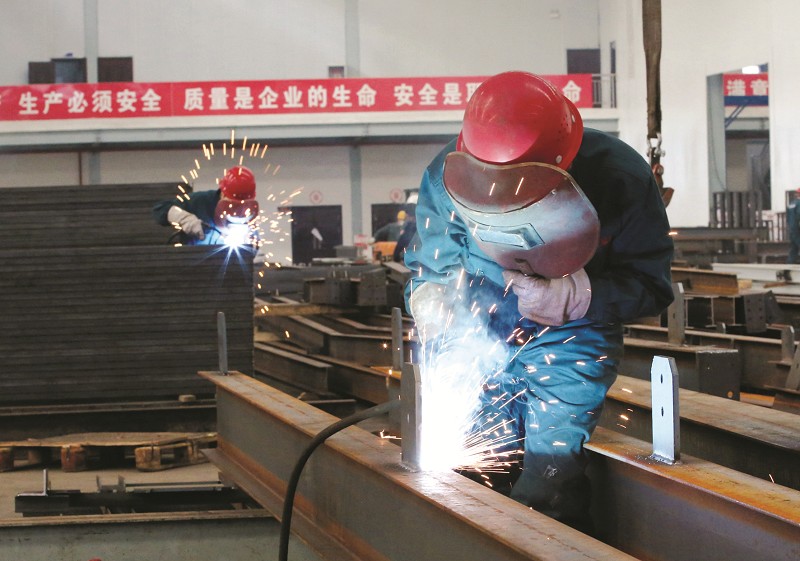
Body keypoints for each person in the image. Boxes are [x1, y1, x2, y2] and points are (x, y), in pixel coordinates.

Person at [404, 71, 674, 530]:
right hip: (477, 334)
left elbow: (652, 286)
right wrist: (430, 297)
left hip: (571, 339)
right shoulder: (444, 175)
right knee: (470, 468)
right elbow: (433, 262)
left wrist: (581, 296)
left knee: (549, 478)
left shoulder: (620, 177)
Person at [152, 165, 260, 246]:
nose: (237, 210)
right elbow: (159, 209)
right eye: (233, 204)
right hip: (194, 265)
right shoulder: (199, 202)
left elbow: (254, 247)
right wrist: (184, 218)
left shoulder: (249, 215)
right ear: (223, 193)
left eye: (243, 204)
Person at [787, 188, 800, 264]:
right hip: (797, 229)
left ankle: (789, 264)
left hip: (792, 229)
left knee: (794, 248)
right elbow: (799, 214)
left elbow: (788, 217)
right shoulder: (799, 203)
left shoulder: (791, 203)